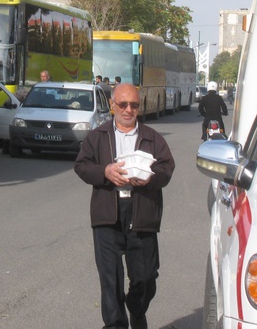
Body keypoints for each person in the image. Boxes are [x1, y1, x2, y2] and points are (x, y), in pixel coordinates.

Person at [74, 83, 175, 329]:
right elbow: (82, 166)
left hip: (142, 215)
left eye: (134, 105)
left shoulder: (153, 138)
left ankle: (137, 308)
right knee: (110, 280)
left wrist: (150, 178)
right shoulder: (97, 136)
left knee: (146, 278)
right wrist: (105, 171)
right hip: (107, 215)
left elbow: (166, 168)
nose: (128, 110)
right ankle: (115, 325)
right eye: (123, 104)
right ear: (112, 105)